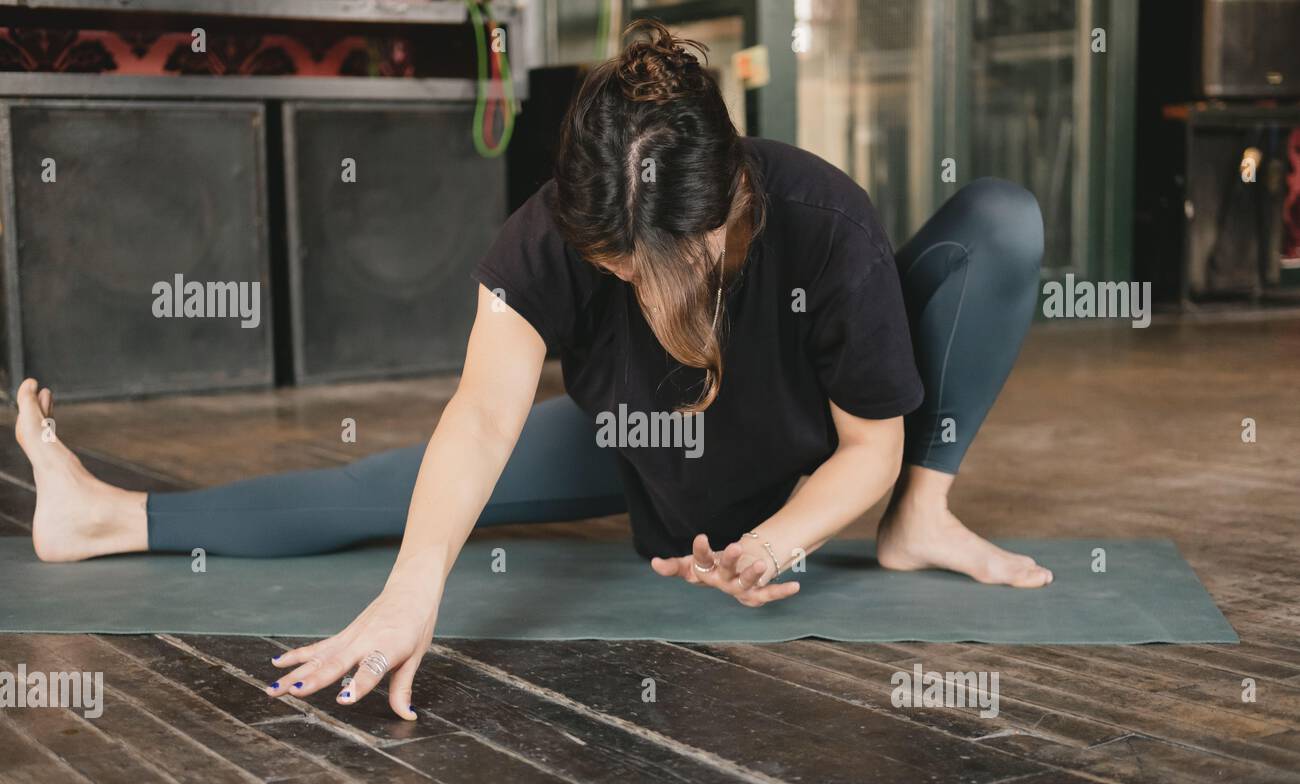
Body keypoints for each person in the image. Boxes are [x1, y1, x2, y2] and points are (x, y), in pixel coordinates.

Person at [11, 20, 1050, 720]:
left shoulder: (826, 224)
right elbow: (479, 415)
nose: (641, 291)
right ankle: (106, 516)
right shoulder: (547, 235)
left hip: (813, 451)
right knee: (388, 486)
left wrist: (777, 539)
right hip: (654, 451)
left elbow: (872, 441)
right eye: (615, 266)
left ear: (730, 198)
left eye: (660, 264)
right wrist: (414, 590)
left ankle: (924, 518)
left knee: (1000, 219)